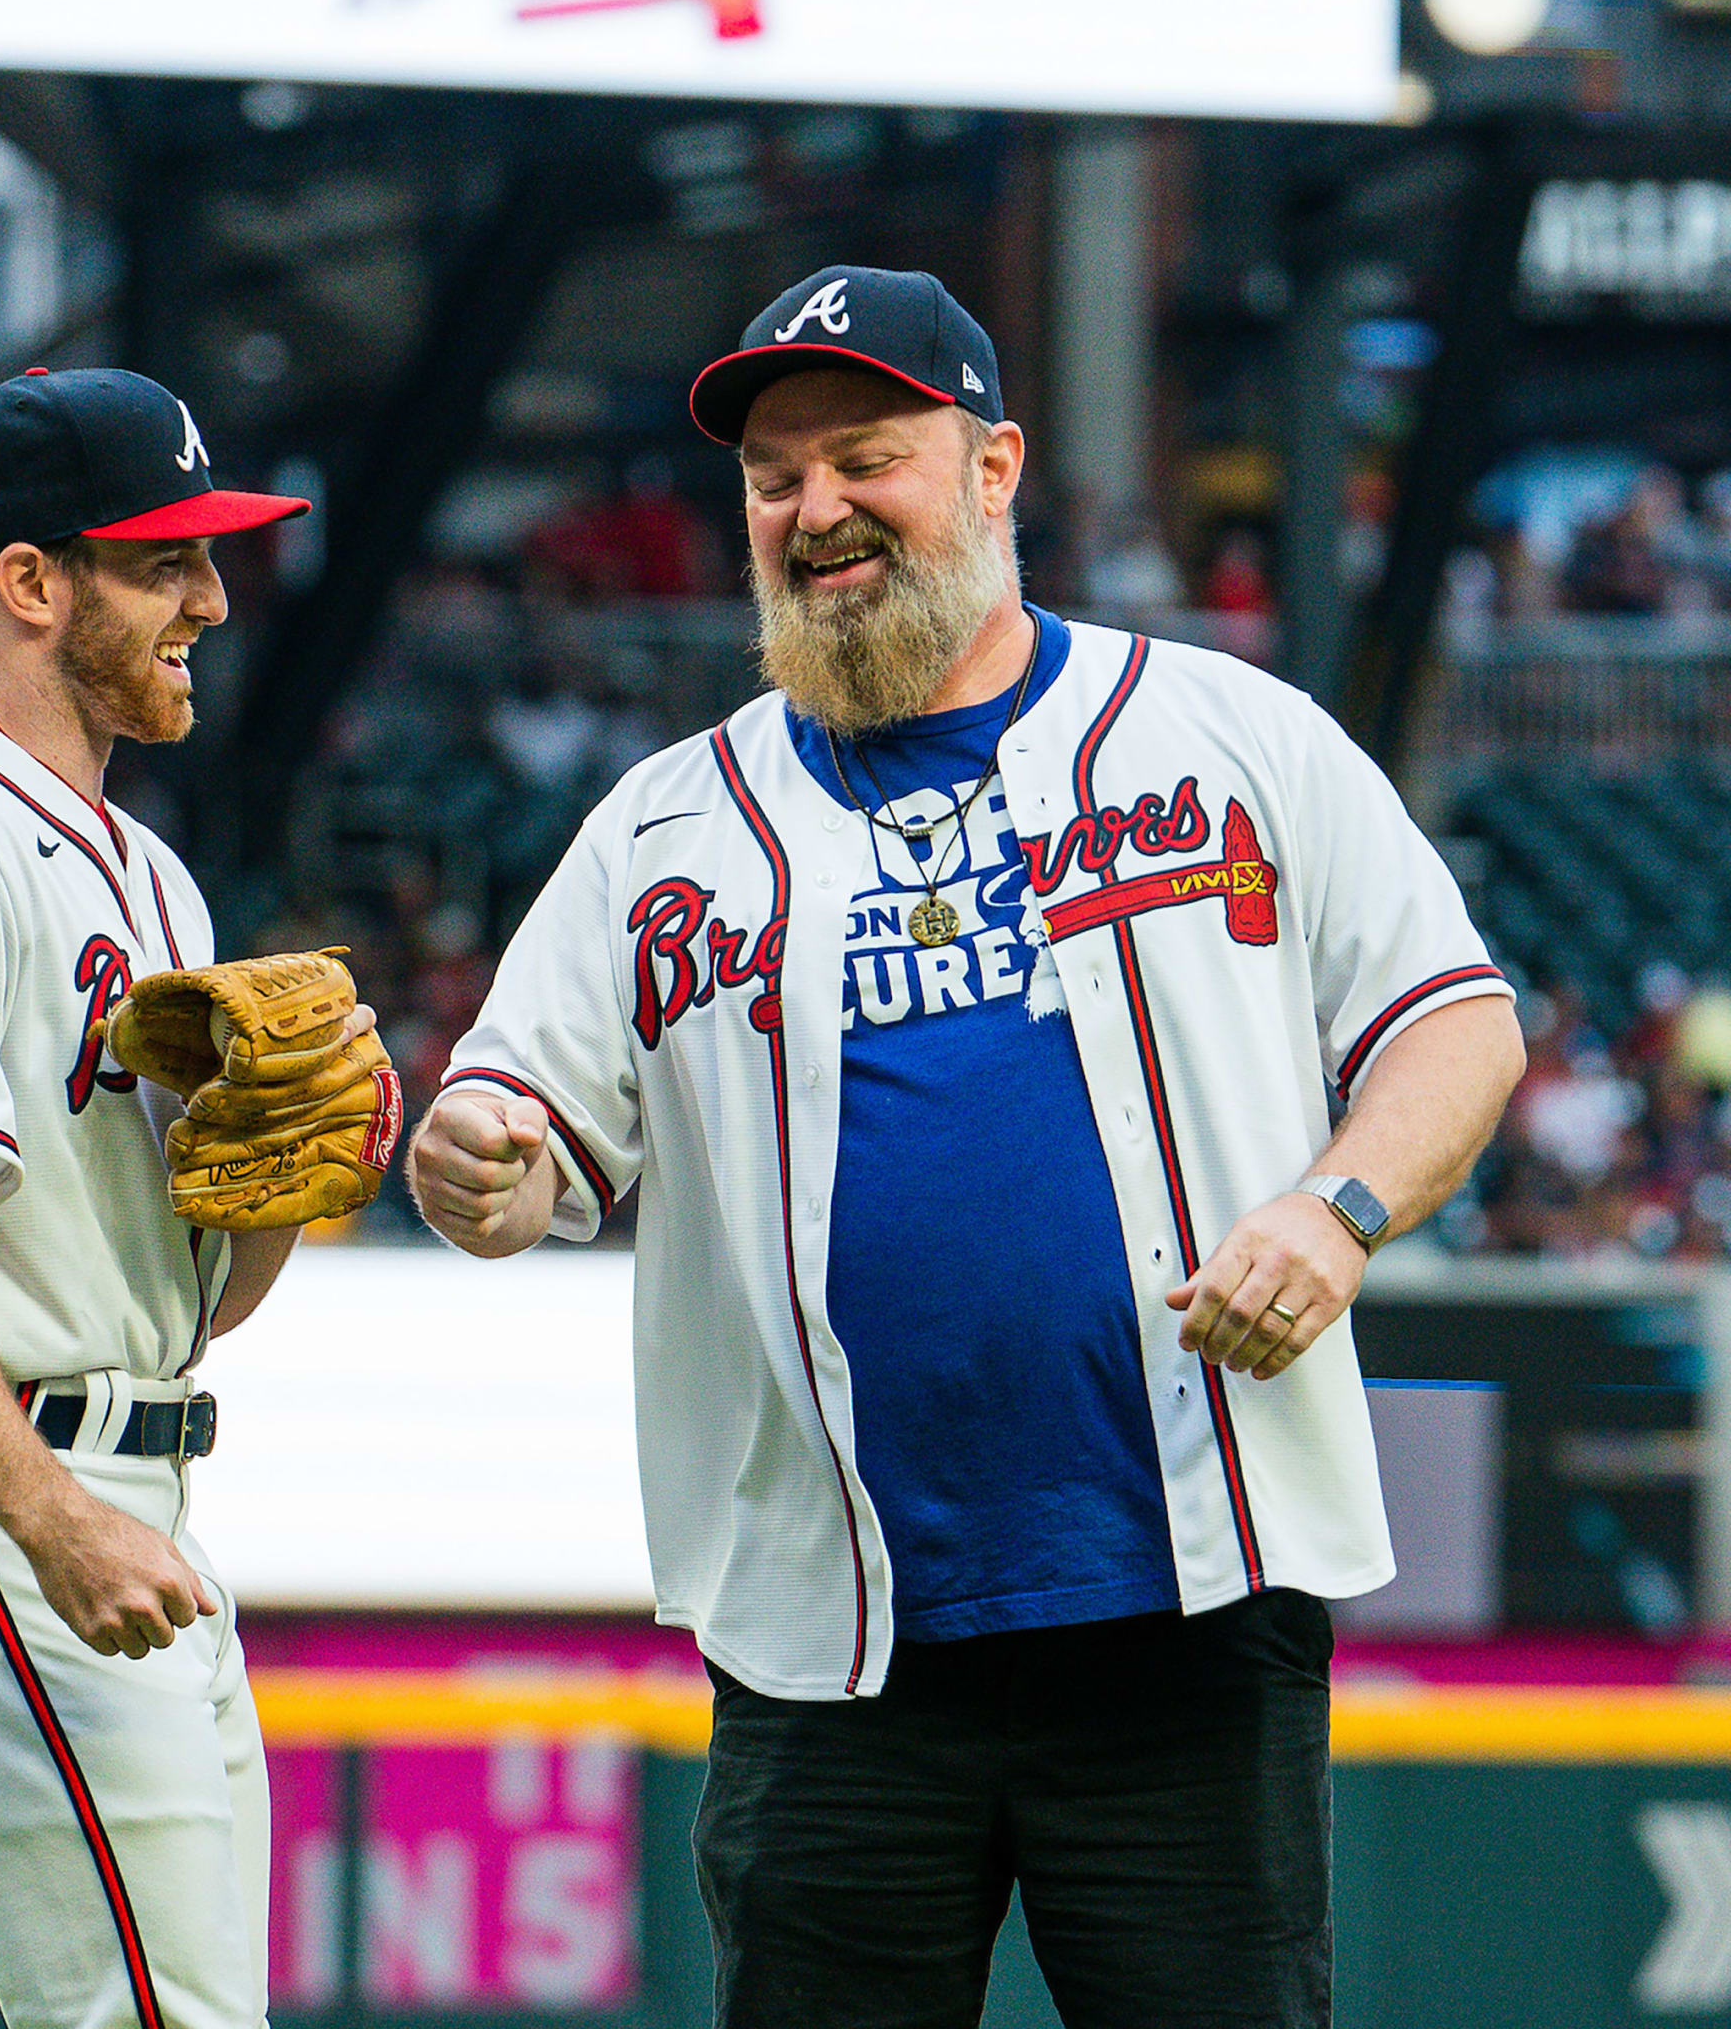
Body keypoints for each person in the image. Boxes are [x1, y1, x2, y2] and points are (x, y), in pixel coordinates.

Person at [409, 266, 1526, 2029]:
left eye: (867, 457)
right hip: (828, 1636)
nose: (816, 509)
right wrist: (475, 1160)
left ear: (995, 467)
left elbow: (1454, 1020)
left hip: (1183, 1600)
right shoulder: (663, 822)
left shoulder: (1225, 731)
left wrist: (1339, 1208)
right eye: (776, 479)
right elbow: (514, 1125)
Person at [0, 368, 356, 2029]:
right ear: (32, 584)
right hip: (1, 1501)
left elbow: (194, 1300)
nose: (212, 599)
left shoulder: (147, 864)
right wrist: (42, 1509)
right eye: (165, 559)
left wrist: (283, 1174)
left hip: (125, 1479)